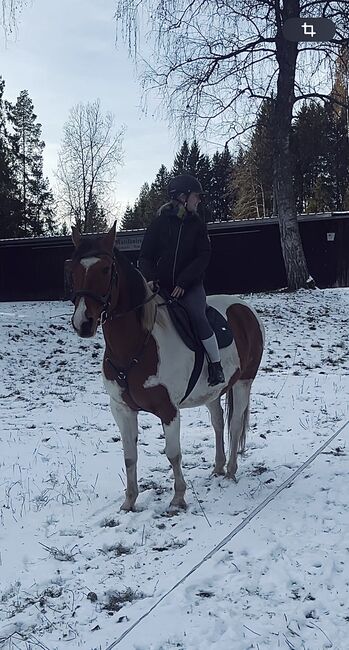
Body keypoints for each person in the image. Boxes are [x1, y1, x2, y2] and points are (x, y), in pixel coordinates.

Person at [138, 173, 225, 386]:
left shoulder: (197, 225)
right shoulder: (158, 225)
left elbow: (203, 256)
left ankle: (216, 365)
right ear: (183, 197)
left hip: (190, 287)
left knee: (198, 315)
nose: (199, 200)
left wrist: (184, 282)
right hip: (161, 287)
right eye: (197, 196)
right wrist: (151, 278)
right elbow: (145, 256)